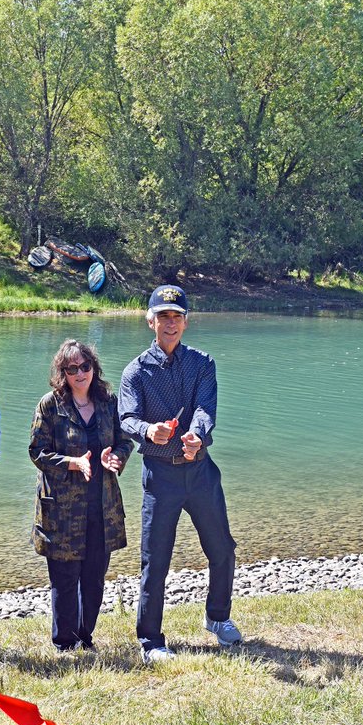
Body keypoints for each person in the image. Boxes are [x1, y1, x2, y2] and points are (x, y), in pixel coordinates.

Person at [119, 285, 242, 664]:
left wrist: (197, 435)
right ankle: (151, 641)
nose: (169, 324)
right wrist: (147, 431)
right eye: (163, 317)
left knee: (222, 549)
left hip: (200, 471)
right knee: (155, 559)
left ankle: (217, 618)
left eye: (176, 317)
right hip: (160, 476)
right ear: (150, 321)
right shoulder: (135, 371)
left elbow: (206, 408)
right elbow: (126, 418)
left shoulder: (202, 363)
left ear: (186, 322)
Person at [29, 340, 134, 651]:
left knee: (94, 577)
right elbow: (37, 452)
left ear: (94, 368)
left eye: (84, 367)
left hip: (102, 506)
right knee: (64, 577)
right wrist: (71, 463)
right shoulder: (50, 405)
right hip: (61, 509)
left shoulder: (108, 402)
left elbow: (124, 440)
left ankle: (85, 637)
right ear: (62, 373)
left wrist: (115, 457)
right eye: (71, 368)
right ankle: (64, 643)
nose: (79, 373)